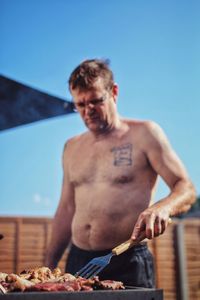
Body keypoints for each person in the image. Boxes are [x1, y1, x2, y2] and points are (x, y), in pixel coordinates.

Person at [45, 59, 196, 288]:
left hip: (127, 261)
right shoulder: (71, 147)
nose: (89, 111)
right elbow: (66, 208)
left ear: (114, 92)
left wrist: (163, 207)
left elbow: (185, 187)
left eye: (96, 101)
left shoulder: (145, 134)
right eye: (81, 104)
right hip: (78, 262)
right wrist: (48, 266)